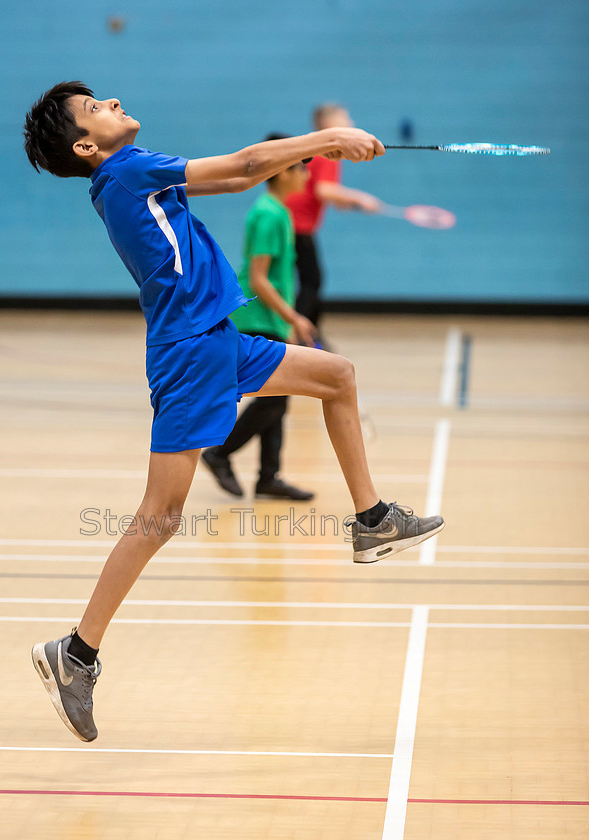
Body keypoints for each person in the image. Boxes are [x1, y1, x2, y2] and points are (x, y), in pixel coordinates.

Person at [22, 81, 444, 743]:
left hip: (217, 338)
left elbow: (241, 174)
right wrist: (330, 141)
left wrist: (313, 154)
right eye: (95, 107)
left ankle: (371, 520)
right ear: (85, 144)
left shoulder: (133, 171)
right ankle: (76, 652)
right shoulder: (126, 172)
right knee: (159, 516)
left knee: (336, 376)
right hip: (192, 353)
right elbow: (245, 168)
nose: (111, 102)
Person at [202, 134, 315, 502]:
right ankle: (219, 452)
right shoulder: (267, 213)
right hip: (258, 319)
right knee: (273, 399)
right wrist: (294, 317)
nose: (306, 175)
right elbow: (259, 279)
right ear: (282, 173)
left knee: (278, 395)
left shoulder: (279, 211)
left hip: (272, 320)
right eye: (301, 167)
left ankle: (269, 477)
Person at [285, 103, 382, 333]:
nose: (352, 124)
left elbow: (326, 194)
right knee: (312, 281)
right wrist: (361, 198)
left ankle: (309, 335)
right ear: (330, 125)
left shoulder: (316, 150)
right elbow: (324, 190)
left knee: (312, 280)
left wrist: (348, 203)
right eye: (346, 119)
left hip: (293, 223)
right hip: (297, 225)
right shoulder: (327, 153)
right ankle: (299, 335)